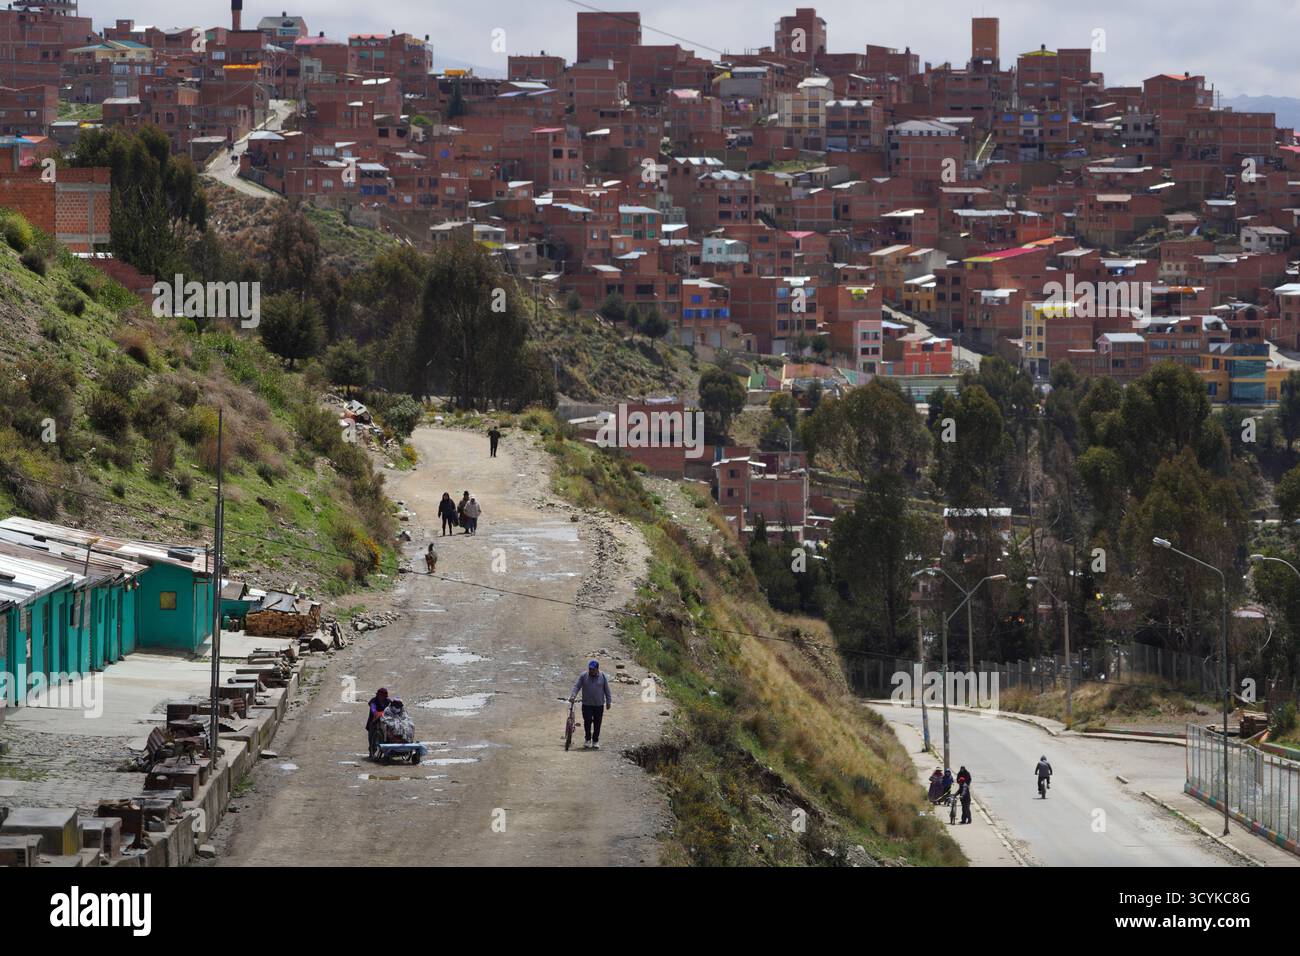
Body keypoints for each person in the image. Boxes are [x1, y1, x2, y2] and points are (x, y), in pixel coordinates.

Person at [568, 659, 612, 749]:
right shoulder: (584, 676)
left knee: (597, 723)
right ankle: (587, 739)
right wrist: (573, 696)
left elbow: (607, 690)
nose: (591, 671)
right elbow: (577, 686)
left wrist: (608, 701)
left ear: (597, 669)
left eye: (592, 669)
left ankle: (595, 741)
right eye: (590, 669)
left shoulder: (602, 676)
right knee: (587, 721)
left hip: (599, 704)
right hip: (587, 704)